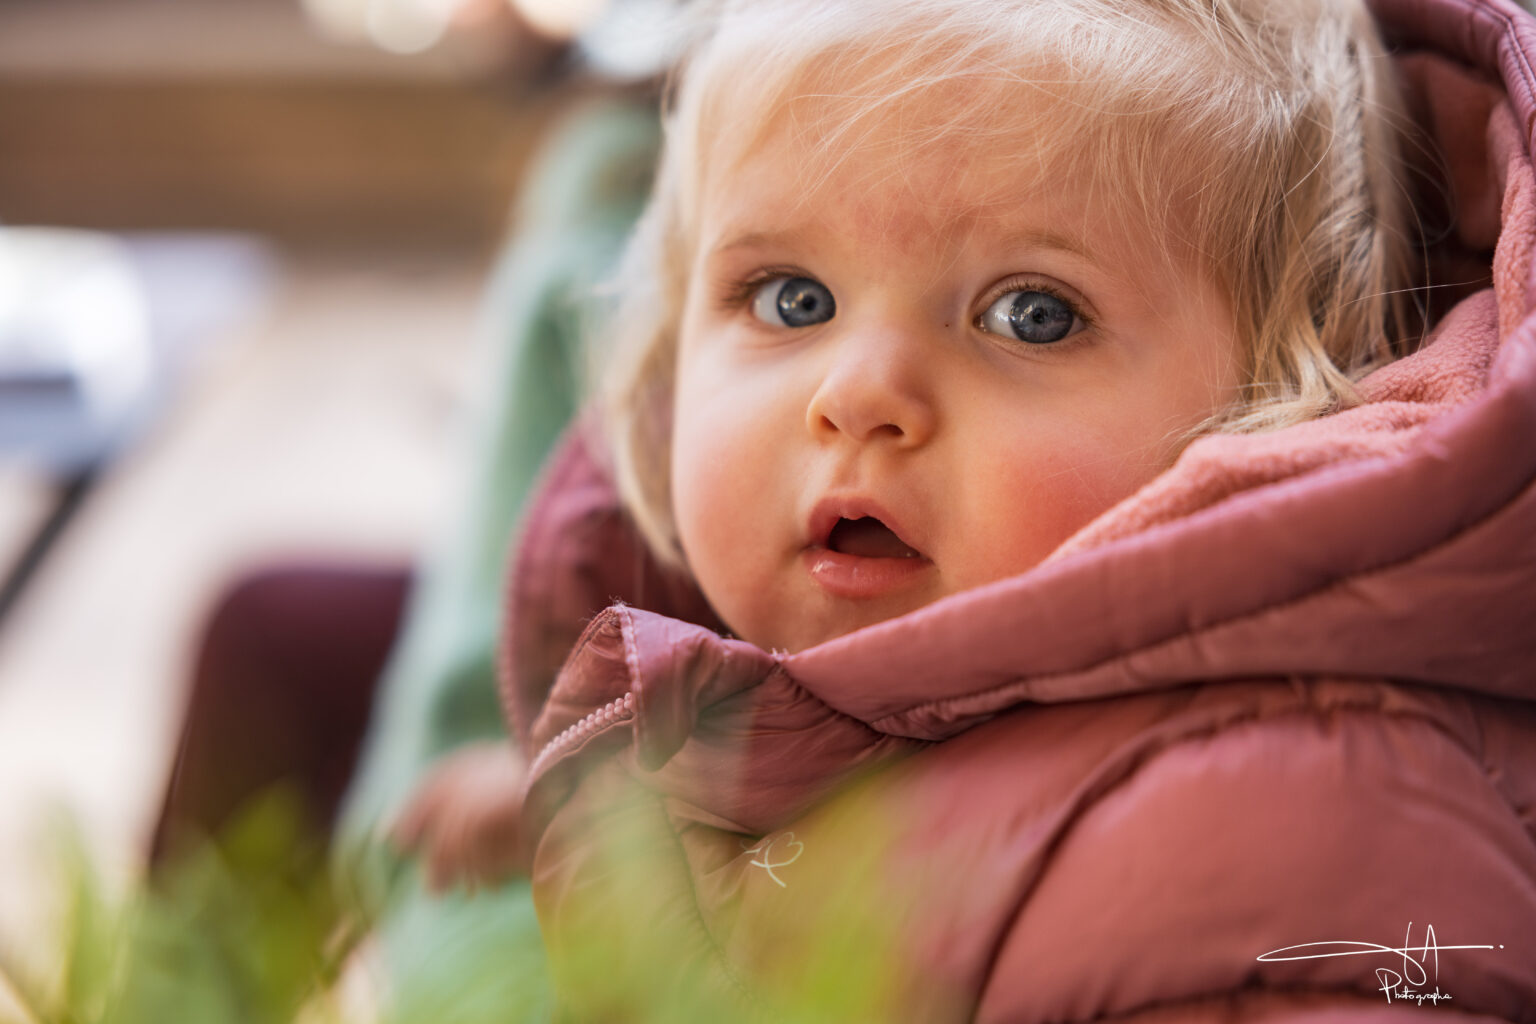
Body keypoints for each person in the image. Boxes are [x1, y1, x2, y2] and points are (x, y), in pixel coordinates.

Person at [398, 0, 1536, 1018]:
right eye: (793, 299)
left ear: (1289, 405)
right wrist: (629, 807)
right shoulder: (821, 669)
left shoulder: (1297, 822)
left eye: (1031, 314)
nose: (856, 396)